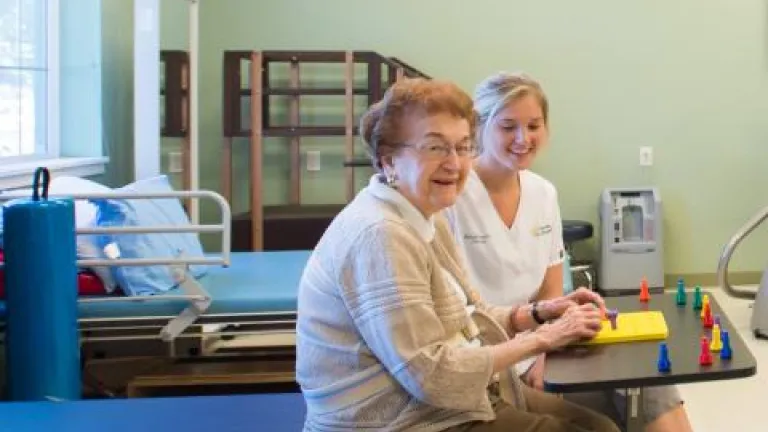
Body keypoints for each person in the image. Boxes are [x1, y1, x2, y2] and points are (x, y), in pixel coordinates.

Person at [295, 77, 621, 431]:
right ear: (389, 161)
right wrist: (543, 339)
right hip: (402, 419)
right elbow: (431, 376)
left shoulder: (425, 216)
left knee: (600, 424)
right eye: (435, 148)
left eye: (462, 147)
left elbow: (472, 315)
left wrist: (540, 313)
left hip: (451, 399)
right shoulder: (380, 233)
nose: (454, 163)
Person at [444, 71, 693, 432]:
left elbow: (551, 289)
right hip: (489, 356)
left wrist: (545, 350)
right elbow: (458, 313)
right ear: (480, 127)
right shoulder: (453, 198)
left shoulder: (543, 193)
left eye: (534, 125)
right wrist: (532, 346)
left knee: (651, 380)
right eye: (508, 126)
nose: (523, 138)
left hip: (540, 342)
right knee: (607, 417)